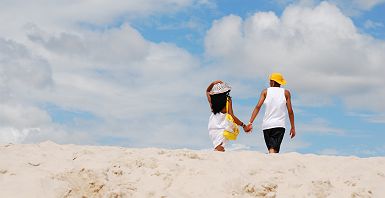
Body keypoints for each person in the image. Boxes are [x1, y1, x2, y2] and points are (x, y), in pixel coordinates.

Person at [247, 73, 296, 153]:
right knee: (274, 150)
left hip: (266, 125)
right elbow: (290, 111)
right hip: (279, 125)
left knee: (272, 149)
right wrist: (292, 127)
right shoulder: (286, 93)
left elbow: (258, 107)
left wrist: (250, 122)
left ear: (272, 82)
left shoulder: (265, 92)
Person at [206, 80, 251, 152]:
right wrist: (243, 125)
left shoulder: (212, 101)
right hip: (222, 127)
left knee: (218, 146)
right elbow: (232, 116)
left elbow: (207, 91)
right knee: (220, 147)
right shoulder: (227, 100)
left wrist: (213, 83)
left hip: (212, 127)